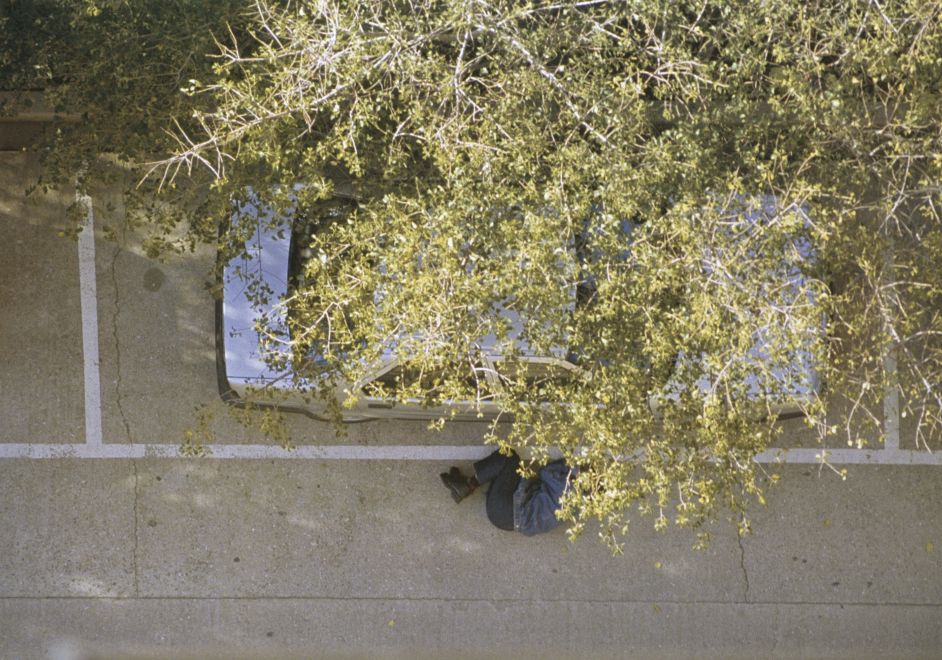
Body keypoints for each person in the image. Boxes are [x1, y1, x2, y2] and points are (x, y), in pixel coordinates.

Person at [440, 450, 577, 536]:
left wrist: (569, 464)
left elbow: (546, 472)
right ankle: (467, 485)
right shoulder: (577, 507)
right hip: (505, 522)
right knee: (506, 477)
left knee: (509, 457)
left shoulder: (567, 486)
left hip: (508, 508)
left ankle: (467, 485)